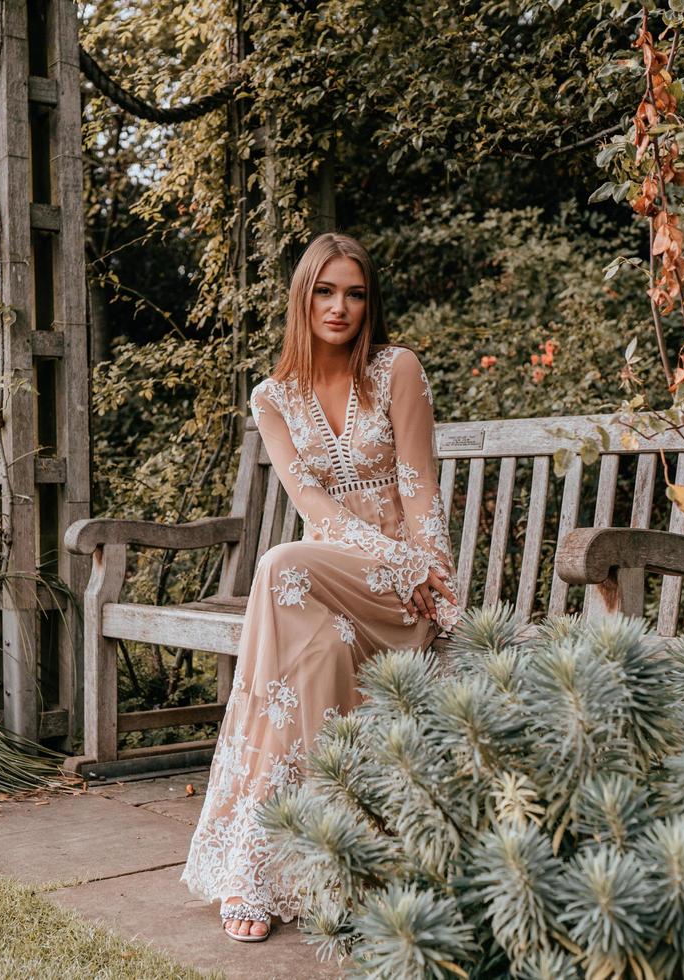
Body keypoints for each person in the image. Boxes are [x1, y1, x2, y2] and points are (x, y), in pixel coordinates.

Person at [179, 232, 462, 942]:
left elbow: (421, 491)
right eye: (326, 291)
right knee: (317, 648)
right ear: (302, 297)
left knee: (280, 567)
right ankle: (302, 866)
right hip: (337, 583)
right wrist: (399, 563)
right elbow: (316, 511)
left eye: (356, 293)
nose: (341, 307)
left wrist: (431, 583)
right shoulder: (272, 398)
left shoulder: (397, 370)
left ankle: (257, 862)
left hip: (405, 601)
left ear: (371, 304)